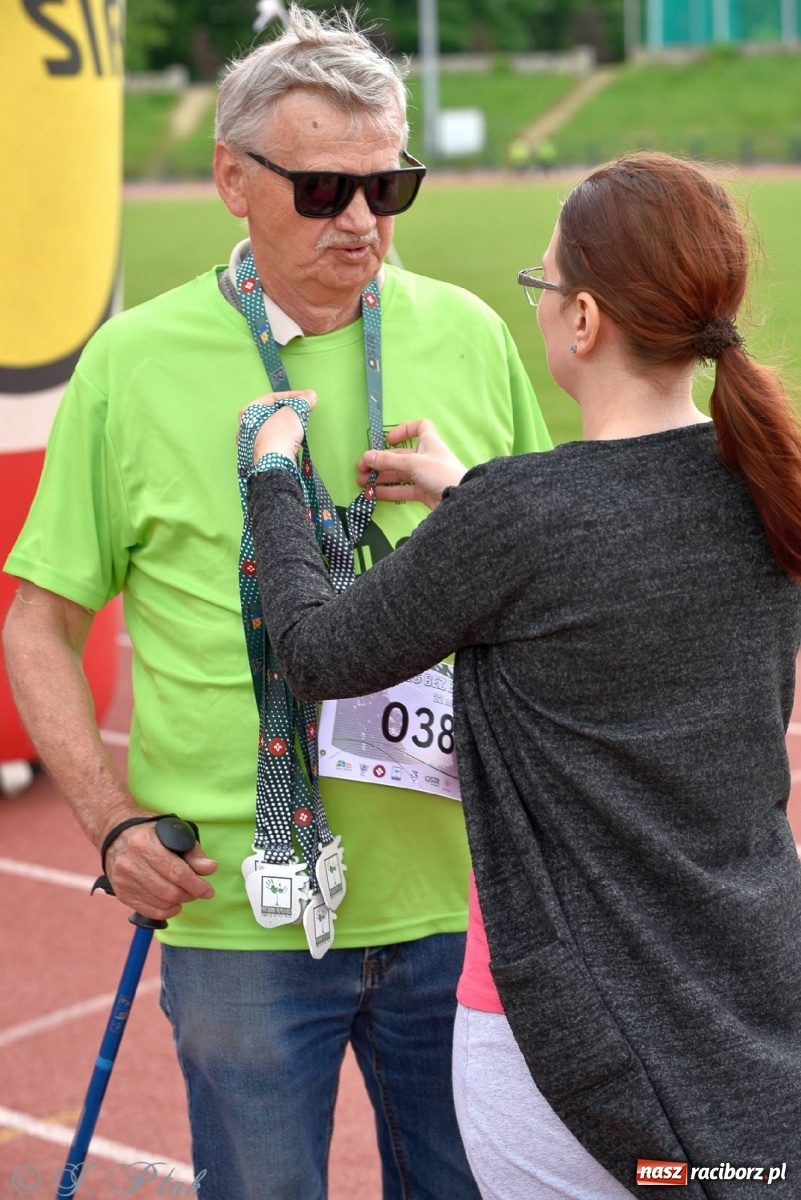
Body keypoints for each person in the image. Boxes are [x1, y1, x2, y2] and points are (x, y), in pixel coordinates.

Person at [1, 8, 550, 1200]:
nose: (361, 221)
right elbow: (36, 624)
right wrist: (106, 821)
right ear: (232, 182)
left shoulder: (465, 333)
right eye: (321, 190)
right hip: (237, 918)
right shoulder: (132, 363)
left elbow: (552, 593)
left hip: (457, 901)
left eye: (386, 186)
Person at [241, 152, 801, 1199]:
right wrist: (471, 498)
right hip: (749, 997)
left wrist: (274, 472)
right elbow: (612, 581)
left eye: (543, 285)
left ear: (583, 321)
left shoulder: (524, 515)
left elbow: (317, 652)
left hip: (563, 1037)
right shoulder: (764, 486)